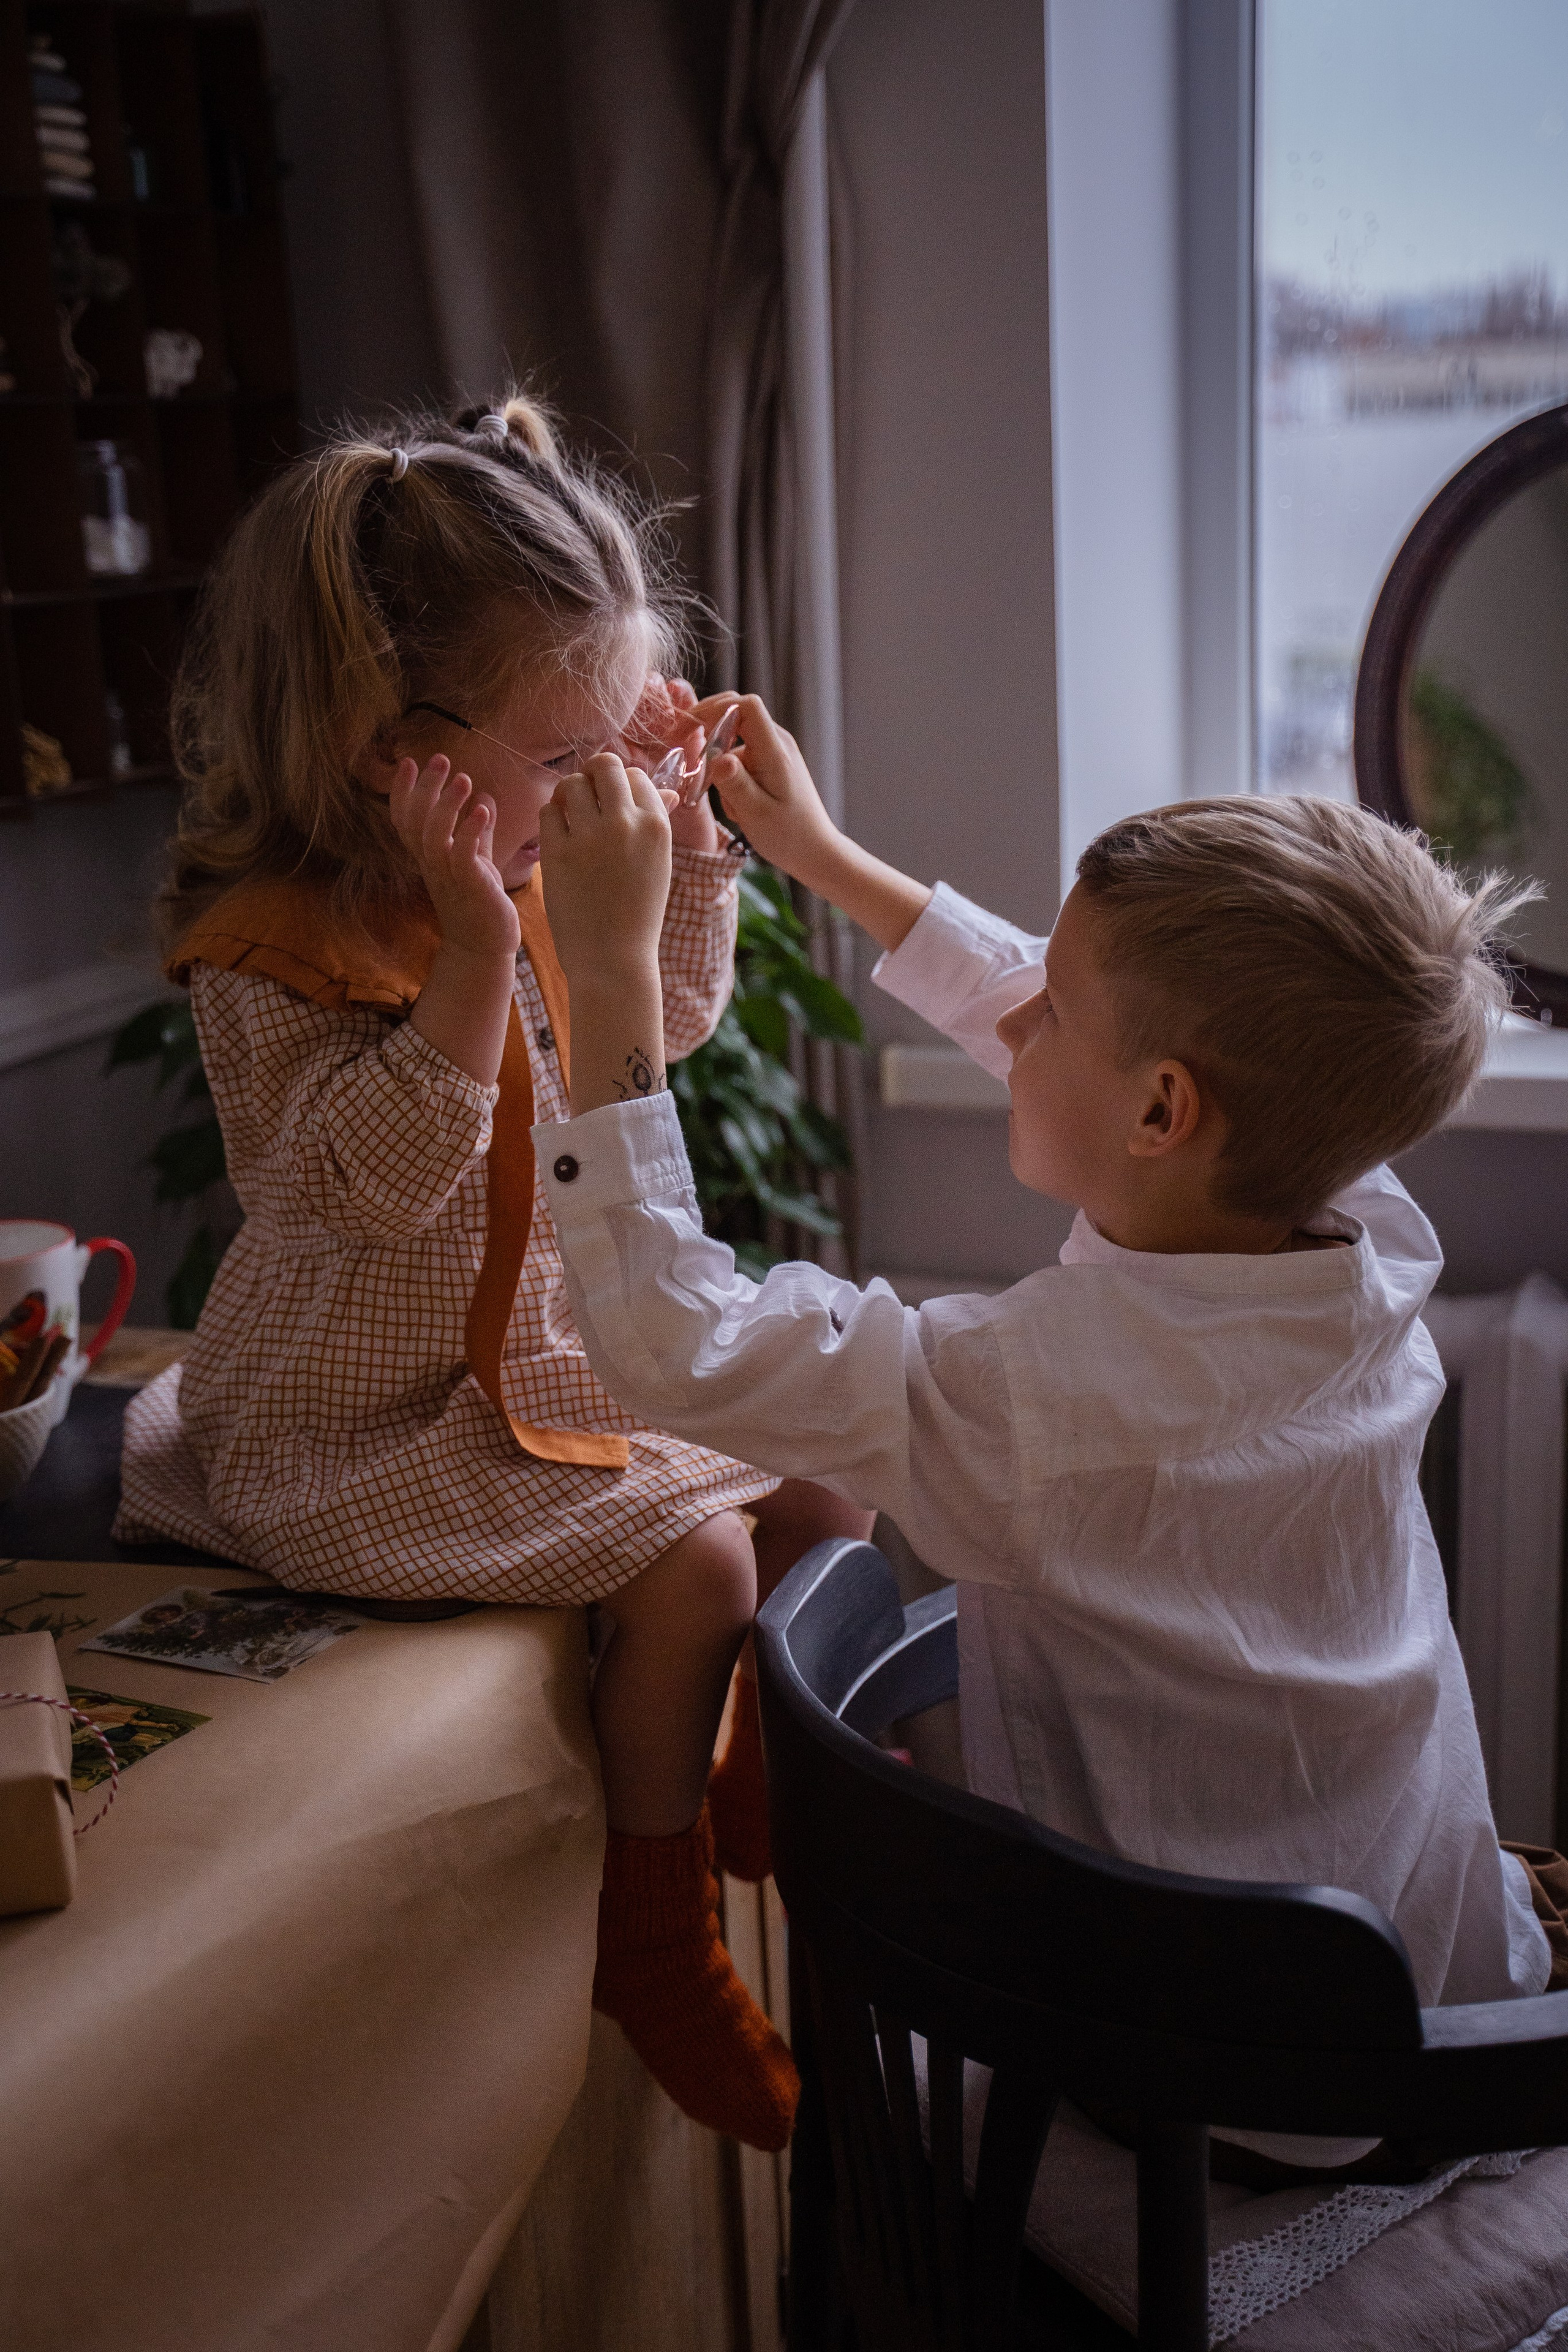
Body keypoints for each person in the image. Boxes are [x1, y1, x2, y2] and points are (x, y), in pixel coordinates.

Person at [532, 703, 1568, 2180]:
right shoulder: (1364, 1228)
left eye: (1052, 1012)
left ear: (1159, 1110)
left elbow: (669, 1342)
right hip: (1420, 1933)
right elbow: (1097, 1012)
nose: (1016, 1013)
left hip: (1231, 2057)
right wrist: (821, 858)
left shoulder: (1033, 1405)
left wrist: (608, 972)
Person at [116, 400, 873, 2153]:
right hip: (359, 1420)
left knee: (833, 1478)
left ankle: (779, 1815)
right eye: (569, 755)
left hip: (528, 1360)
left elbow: (661, 1023)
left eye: (621, 743)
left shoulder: (531, 856)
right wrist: (470, 961)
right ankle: (650, 1929)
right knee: (695, 1569)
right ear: (393, 750)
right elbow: (374, 1192)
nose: (594, 790)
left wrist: (680, 844)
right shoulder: (276, 948)